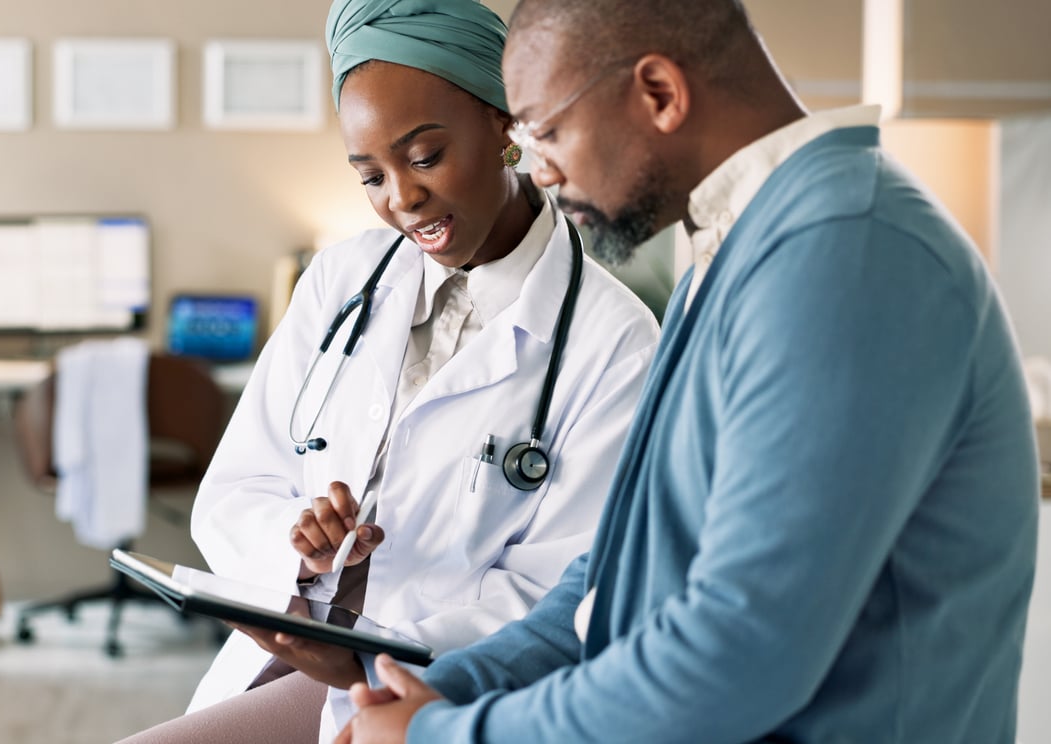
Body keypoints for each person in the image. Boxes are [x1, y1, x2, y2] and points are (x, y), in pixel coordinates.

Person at [338, 0, 1041, 742]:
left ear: (659, 94)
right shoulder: (737, 250)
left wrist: (446, 736)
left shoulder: (846, 254)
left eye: (545, 131)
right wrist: (446, 688)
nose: (540, 170)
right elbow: (616, 574)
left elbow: (738, 654)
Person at [118, 1, 659, 741]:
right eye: (369, 174)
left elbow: (564, 591)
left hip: (441, 688)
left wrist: (371, 656)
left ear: (504, 124)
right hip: (285, 651)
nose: (400, 198)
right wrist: (304, 559)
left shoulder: (613, 341)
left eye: (425, 156)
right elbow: (239, 486)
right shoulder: (338, 282)